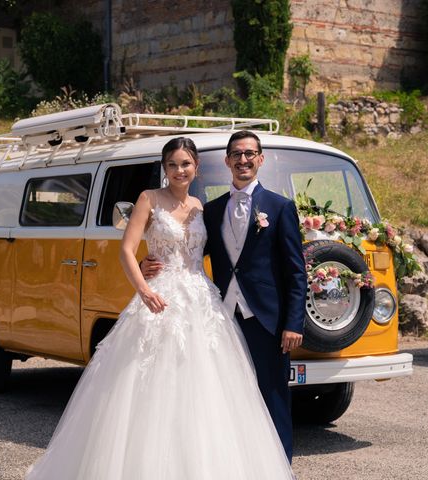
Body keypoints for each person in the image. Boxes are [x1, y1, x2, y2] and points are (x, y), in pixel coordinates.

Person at [26, 137, 296, 479]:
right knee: (149, 385)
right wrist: (143, 285)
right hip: (159, 298)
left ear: (196, 168)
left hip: (202, 302)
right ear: (164, 168)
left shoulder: (203, 207)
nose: (179, 170)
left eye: (186, 164)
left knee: (209, 389)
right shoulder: (148, 199)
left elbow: (228, 250)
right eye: (173, 164)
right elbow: (126, 249)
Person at [141, 130, 307, 462]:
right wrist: (148, 261)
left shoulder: (280, 207)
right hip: (219, 318)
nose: (243, 160)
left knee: (273, 396)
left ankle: (280, 468)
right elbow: (191, 250)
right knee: (227, 398)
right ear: (227, 160)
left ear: (260, 159)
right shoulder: (211, 210)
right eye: (237, 154)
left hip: (266, 321)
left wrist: (293, 323)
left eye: (250, 154)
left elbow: (296, 272)